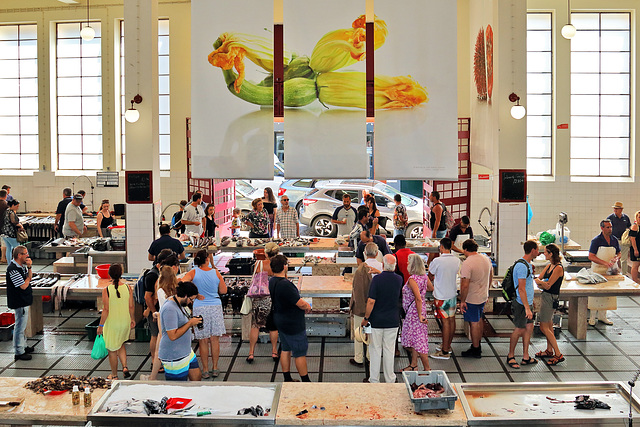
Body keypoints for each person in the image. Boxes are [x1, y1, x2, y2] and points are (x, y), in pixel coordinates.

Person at [181, 249, 227, 379]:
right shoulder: (216, 272)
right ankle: (215, 367)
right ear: (207, 259)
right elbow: (223, 290)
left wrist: (194, 293)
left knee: (203, 340)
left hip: (200, 308)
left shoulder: (194, 272)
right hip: (215, 307)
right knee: (214, 339)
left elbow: (181, 282)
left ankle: (205, 369)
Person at [269, 254, 312, 382]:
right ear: (284, 266)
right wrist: (307, 306)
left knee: (285, 349)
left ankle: (287, 378)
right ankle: (306, 381)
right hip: (293, 323)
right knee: (299, 353)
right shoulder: (286, 285)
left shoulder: (272, 281)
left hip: (280, 320)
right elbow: (300, 303)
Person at [362, 254, 403, 383]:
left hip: (377, 321)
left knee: (375, 350)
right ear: (395, 266)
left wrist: (366, 318)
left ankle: (374, 379)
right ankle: (390, 378)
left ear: (383, 265)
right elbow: (389, 280)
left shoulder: (377, 280)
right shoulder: (399, 279)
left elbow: (371, 301)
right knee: (389, 350)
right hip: (393, 320)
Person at [158, 281, 203, 381]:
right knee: (177, 388)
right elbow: (172, 336)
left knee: (197, 378)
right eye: (191, 299)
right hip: (174, 355)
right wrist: (190, 323)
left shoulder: (178, 304)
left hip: (186, 351)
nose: (191, 302)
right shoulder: (170, 309)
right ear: (185, 295)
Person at [96, 264, 134, 379]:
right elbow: (131, 306)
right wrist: (132, 319)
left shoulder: (107, 290)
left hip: (112, 324)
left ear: (109, 275)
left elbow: (106, 310)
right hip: (124, 322)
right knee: (120, 343)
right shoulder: (128, 287)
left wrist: (101, 325)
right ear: (121, 273)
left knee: (112, 350)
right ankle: (125, 366)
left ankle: (114, 375)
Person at [506, 240, 539, 369]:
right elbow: (521, 288)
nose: (538, 252)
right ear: (532, 250)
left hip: (527, 302)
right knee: (519, 329)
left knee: (529, 328)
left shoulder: (528, 265)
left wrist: (531, 301)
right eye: (537, 249)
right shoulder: (521, 266)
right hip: (521, 304)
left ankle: (526, 356)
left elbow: (528, 286)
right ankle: (510, 355)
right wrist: (526, 307)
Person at [147, 256, 181, 381]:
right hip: (177, 320)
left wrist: (155, 314)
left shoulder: (161, 290)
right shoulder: (177, 288)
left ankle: (153, 377)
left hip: (164, 321)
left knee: (159, 352)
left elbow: (162, 307)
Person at [247, 242, 280, 364]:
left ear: (265, 253)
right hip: (272, 299)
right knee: (273, 327)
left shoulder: (259, 263)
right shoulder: (278, 265)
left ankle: (251, 353)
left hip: (259, 298)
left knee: (255, 325)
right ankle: (274, 351)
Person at [459, 239, 492, 358]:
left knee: (473, 322)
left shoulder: (468, 263)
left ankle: (475, 348)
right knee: (479, 319)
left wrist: (462, 300)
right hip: (482, 295)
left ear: (465, 249)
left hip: (472, 297)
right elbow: (490, 275)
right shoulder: (485, 258)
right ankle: (478, 344)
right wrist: (486, 291)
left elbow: (465, 284)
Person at [428, 238, 461, 360]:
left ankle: (445, 351)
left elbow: (430, 275)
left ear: (441, 247)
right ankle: (448, 345)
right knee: (451, 320)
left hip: (441, 295)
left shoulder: (437, 261)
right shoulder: (456, 260)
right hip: (452, 293)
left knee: (445, 322)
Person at [144, 248, 175, 373]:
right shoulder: (153, 275)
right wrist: (151, 311)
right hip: (157, 312)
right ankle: (154, 361)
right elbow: (148, 296)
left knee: (160, 337)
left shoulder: (164, 274)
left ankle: (161, 360)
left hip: (160, 311)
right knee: (155, 336)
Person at [534, 244, 565, 366]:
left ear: (551, 253)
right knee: (549, 325)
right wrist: (541, 282)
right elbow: (538, 279)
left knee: (543, 327)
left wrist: (540, 282)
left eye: (546, 252)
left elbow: (548, 285)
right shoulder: (549, 266)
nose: (544, 254)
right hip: (546, 296)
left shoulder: (558, 268)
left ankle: (558, 354)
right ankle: (549, 350)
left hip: (550, 298)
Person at [401, 253, 432, 371]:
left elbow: (418, 298)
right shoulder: (424, 276)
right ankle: (413, 364)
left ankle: (427, 369)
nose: (407, 264)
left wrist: (419, 315)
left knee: (419, 341)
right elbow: (431, 288)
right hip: (421, 309)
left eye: (409, 262)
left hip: (414, 313)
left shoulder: (412, 279)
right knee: (416, 338)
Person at [588, 219, 621, 326]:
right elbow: (591, 256)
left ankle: (603, 316)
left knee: (607, 294)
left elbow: (619, 252)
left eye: (611, 227)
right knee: (595, 295)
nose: (610, 229)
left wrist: (616, 258)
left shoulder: (614, 240)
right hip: (597, 270)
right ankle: (592, 318)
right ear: (602, 228)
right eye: (607, 227)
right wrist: (604, 263)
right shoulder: (596, 240)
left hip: (609, 271)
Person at [349, 244, 377, 367]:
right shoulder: (383, 266)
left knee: (359, 332)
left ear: (365, 253)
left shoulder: (361, 269)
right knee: (372, 335)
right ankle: (371, 357)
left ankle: (359, 358)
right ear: (377, 253)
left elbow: (357, 291)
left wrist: (357, 308)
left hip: (362, 308)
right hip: (377, 308)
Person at [6, 246, 35, 361]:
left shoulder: (21, 266)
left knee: (23, 326)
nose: (27, 256)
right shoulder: (12, 269)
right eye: (25, 254)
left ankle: (23, 346)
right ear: (19, 255)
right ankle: (19, 351)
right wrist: (27, 279)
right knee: (19, 326)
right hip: (19, 301)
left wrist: (29, 268)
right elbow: (23, 286)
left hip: (24, 300)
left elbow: (29, 278)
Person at [607, 202, 631, 274]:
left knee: (624, 259)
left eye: (617, 208)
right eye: (614, 208)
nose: (615, 210)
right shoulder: (610, 218)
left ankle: (624, 273)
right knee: (612, 257)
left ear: (621, 209)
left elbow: (629, 227)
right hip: (614, 240)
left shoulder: (625, 218)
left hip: (623, 241)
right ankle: (612, 272)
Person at [629, 211, 640, 284]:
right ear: (636, 218)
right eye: (639, 217)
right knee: (636, 264)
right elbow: (632, 239)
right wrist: (635, 250)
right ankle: (634, 280)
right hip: (636, 248)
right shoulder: (635, 226)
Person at [0, 189, 8, 264]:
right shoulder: (5, 204)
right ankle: (3, 257)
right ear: (6, 195)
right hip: (3, 226)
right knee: (3, 243)